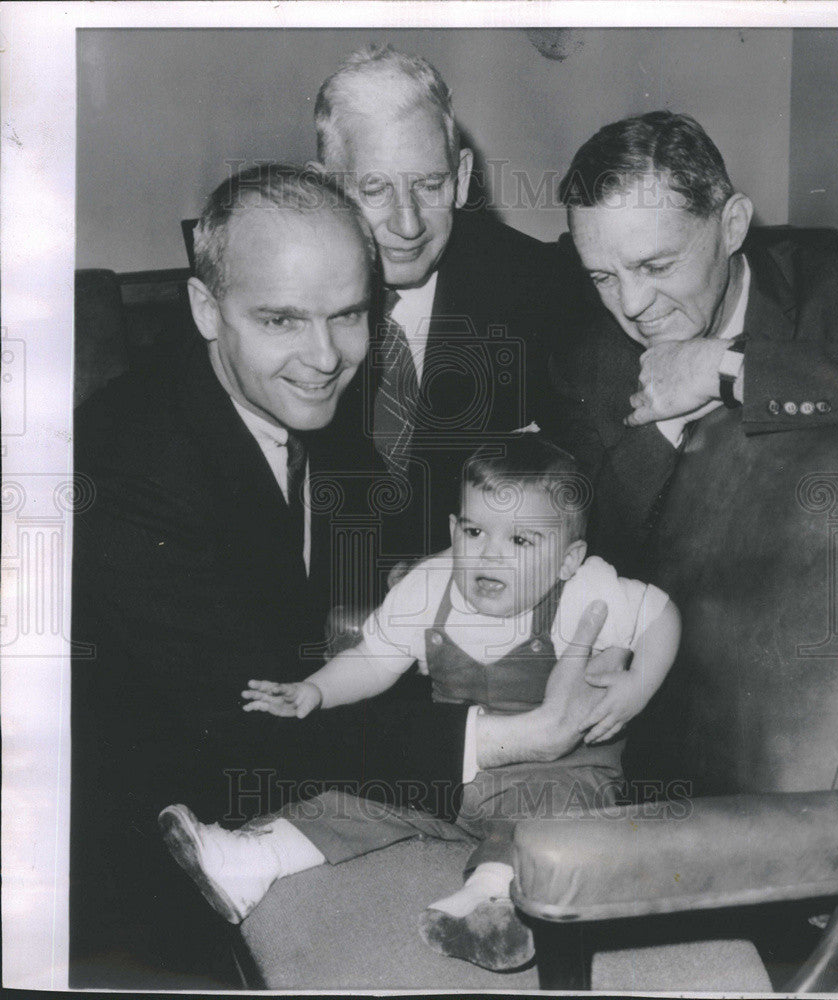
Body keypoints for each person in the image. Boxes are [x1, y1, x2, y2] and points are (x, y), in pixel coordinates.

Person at [70, 164, 627, 986]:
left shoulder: (317, 419)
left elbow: (404, 581)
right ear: (202, 310)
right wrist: (516, 736)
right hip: (130, 866)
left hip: (273, 781)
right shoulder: (123, 465)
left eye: (348, 316)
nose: (324, 356)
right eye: (281, 320)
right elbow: (249, 720)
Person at [157, 434, 680, 971]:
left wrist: (638, 686)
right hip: (456, 779)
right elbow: (376, 656)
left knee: (554, 820)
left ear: (569, 559)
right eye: (475, 532)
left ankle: (489, 903)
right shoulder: (430, 584)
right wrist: (316, 689)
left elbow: (660, 614)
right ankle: (250, 862)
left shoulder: (587, 588)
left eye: (521, 542)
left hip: (561, 777)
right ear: (454, 530)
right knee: (365, 795)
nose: (489, 555)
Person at [546, 111, 838, 576]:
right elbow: (588, 553)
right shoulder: (585, 359)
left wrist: (727, 368)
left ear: (731, 226)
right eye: (603, 276)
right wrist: (663, 425)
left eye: (655, 267)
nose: (630, 306)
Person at [312, 44, 589, 558]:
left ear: (461, 178)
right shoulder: (288, 301)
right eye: (375, 189)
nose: (409, 223)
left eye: (430, 185)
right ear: (330, 188)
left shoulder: (544, 289)